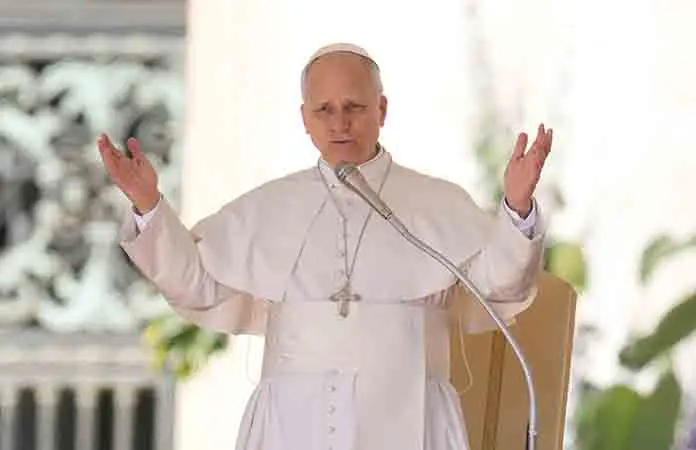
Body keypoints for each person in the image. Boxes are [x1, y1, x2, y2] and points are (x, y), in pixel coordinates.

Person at [98, 42, 551, 450]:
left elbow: (498, 287)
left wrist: (516, 207)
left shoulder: (437, 203)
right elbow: (197, 286)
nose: (339, 123)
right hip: (290, 426)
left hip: (414, 419)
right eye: (324, 110)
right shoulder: (269, 206)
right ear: (304, 119)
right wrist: (148, 204)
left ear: (382, 109)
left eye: (354, 106)